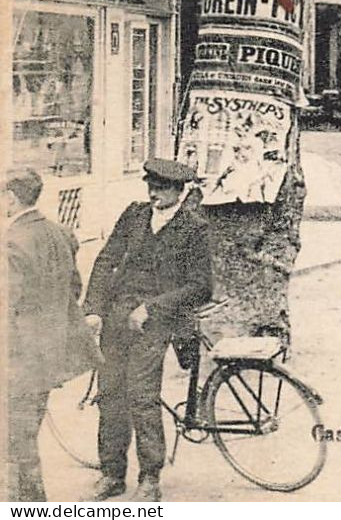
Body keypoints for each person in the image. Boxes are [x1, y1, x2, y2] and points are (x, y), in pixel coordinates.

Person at [84, 159, 212, 502]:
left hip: (157, 321)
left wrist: (152, 308)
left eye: (161, 189)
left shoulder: (193, 228)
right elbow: (105, 259)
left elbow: (201, 287)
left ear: (179, 191)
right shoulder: (135, 215)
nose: (154, 194)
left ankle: (150, 477)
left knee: (141, 396)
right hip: (117, 316)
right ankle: (111, 473)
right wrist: (94, 309)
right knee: (110, 394)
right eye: (150, 187)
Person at [7, 168, 96, 501]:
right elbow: (74, 288)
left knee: (14, 447)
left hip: (17, 360)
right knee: (25, 438)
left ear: (11, 198)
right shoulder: (60, 233)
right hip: (48, 358)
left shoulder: (12, 242)